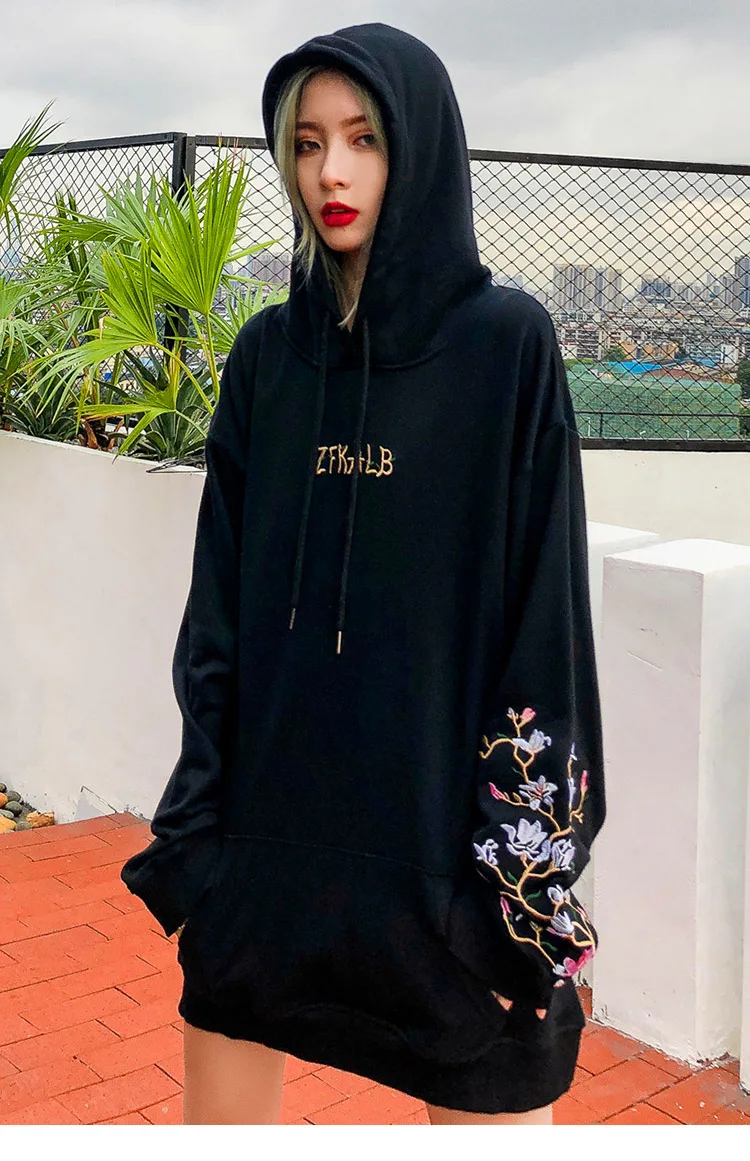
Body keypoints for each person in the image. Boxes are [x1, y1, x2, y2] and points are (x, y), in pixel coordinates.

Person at [121, 21, 606, 1125]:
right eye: (306, 143)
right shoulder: (266, 357)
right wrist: (199, 848)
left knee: (495, 1097)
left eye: (363, 138)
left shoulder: (506, 349)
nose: (330, 172)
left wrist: (519, 893)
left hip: (448, 886)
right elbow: (217, 626)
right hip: (265, 869)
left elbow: (546, 641)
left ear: (419, 149)